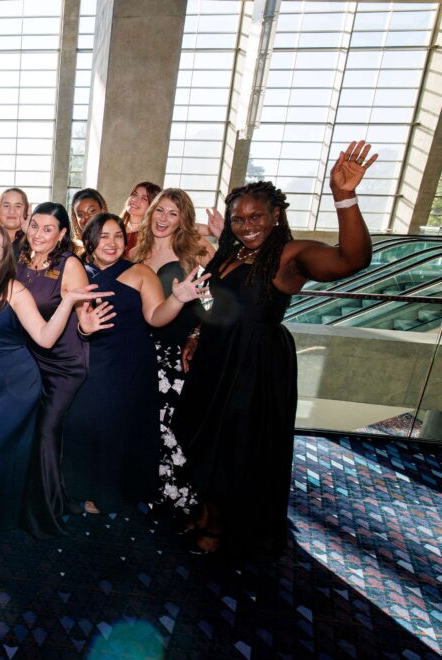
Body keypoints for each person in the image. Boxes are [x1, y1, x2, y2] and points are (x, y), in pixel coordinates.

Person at [174, 141, 377, 554]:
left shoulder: (290, 255)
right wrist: (196, 336)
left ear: (276, 216)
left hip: (253, 364)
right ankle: (207, 511)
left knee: (234, 446)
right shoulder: (229, 254)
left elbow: (351, 260)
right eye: (238, 218)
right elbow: (215, 301)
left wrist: (344, 198)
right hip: (216, 358)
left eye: (256, 216)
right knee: (205, 437)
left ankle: (221, 527)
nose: (246, 225)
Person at [0, 221, 109, 534]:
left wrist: (67, 303)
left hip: (15, 384)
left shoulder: (14, 289)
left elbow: (45, 338)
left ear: (4, 253)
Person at [64, 213, 208, 515]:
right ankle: (78, 488)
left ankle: (110, 494)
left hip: (128, 362)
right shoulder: (76, 270)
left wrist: (178, 299)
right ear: (89, 239)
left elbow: (156, 317)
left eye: (118, 236)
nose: (112, 242)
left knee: (115, 427)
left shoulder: (140, 272)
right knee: (82, 424)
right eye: (103, 236)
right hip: (87, 358)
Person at [130, 188, 215, 517]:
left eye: (172, 213)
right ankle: (145, 487)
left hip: (172, 357)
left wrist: (196, 334)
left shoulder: (194, 252)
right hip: (138, 351)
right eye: (160, 210)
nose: (163, 219)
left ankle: (177, 498)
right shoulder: (136, 252)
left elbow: (216, 301)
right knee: (142, 424)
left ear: (182, 220)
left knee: (170, 428)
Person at [16, 203, 95, 538]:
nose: (38, 234)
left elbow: (85, 315)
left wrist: (88, 328)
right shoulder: (19, 259)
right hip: (28, 359)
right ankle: (54, 497)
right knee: (31, 432)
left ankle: (43, 513)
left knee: (46, 432)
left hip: (62, 364)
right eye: (34, 225)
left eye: (48, 229)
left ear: (62, 233)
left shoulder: (69, 264)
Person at [120, 181, 161, 258]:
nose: (134, 199)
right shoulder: (115, 226)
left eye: (144, 198)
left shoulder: (153, 236)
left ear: (153, 206)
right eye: (134, 194)